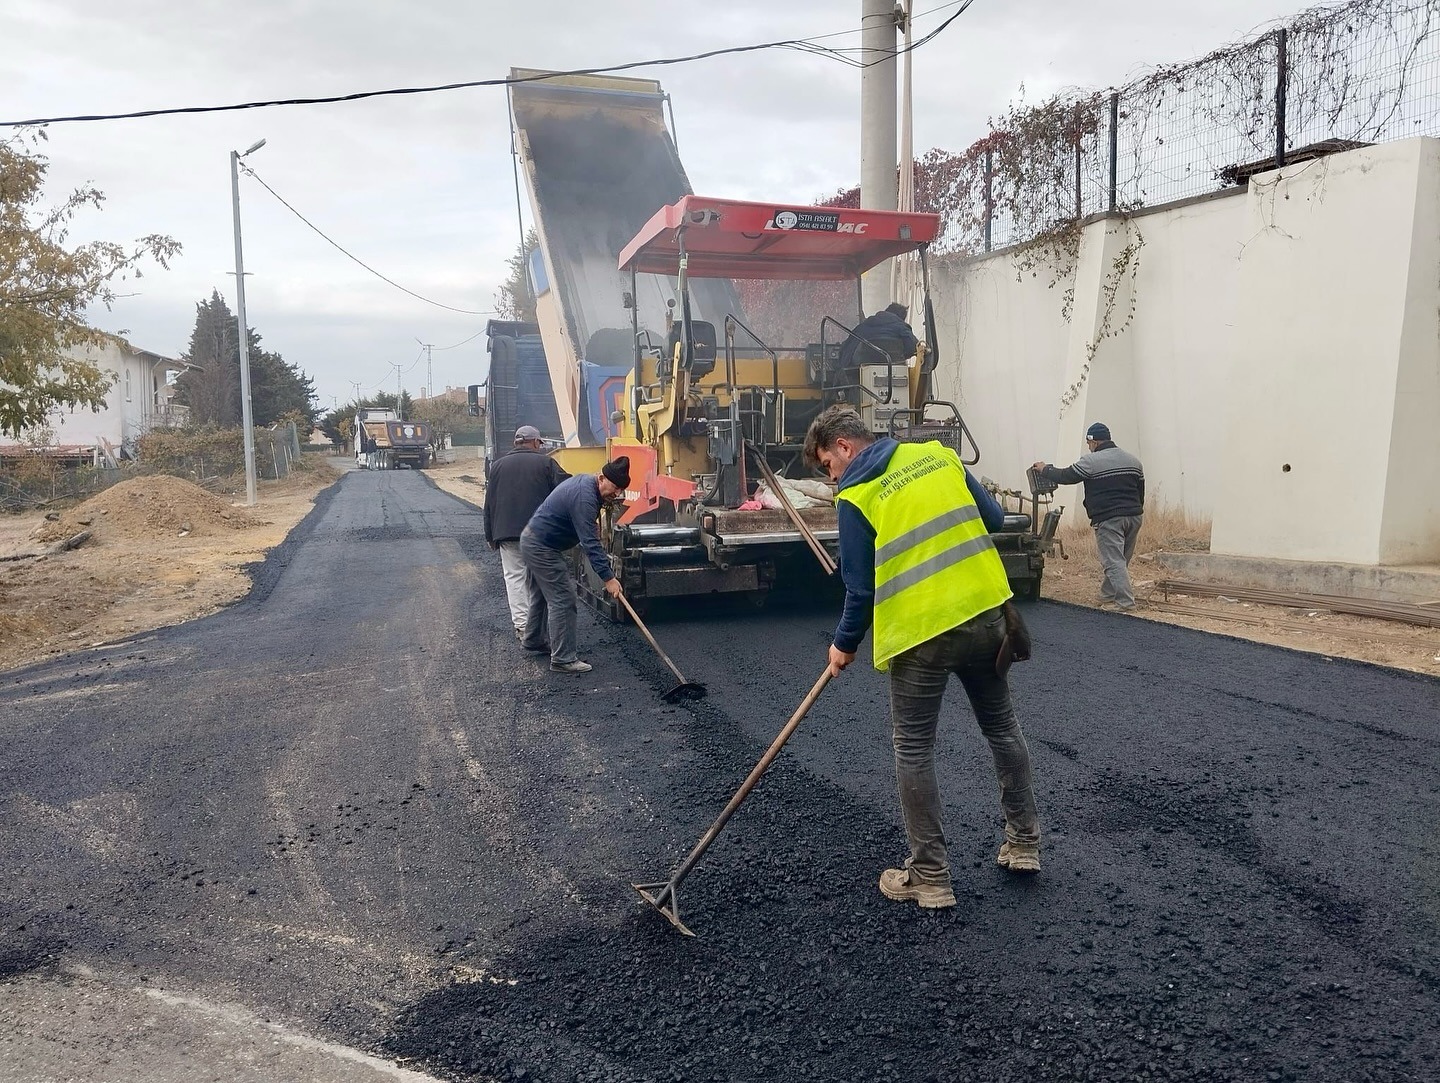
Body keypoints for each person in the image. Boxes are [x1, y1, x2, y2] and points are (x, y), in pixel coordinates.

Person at [806, 404, 1042, 911]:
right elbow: (996, 518)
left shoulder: (857, 493)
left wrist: (843, 644)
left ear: (844, 447)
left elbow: (859, 586)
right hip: (986, 614)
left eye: (828, 464)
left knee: (913, 746)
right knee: (1001, 728)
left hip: (922, 634)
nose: (831, 476)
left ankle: (930, 876)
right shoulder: (938, 455)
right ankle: (1023, 844)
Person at [519, 456, 630, 674]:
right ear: (602, 478)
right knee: (563, 599)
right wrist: (608, 578)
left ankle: (533, 639)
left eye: (620, 490)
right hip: (542, 546)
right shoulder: (585, 497)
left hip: (533, 540)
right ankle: (563, 658)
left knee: (541, 594)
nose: (617, 494)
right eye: (615, 488)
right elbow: (590, 543)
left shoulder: (587, 487)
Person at [1032, 422, 1145, 611]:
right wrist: (1135, 510)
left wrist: (1045, 470)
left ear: (1093, 441)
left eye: (1088, 443)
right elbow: (1141, 491)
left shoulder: (1091, 462)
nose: (1088, 447)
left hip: (1109, 518)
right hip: (1134, 516)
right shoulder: (1133, 461)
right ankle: (1107, 594)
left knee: (1113, 561)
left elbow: (1067, 476)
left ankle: (1125, 603)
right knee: (1121, 558)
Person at [484, 425, 569, 639]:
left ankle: (523, 627)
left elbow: (489, 503)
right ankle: (540, 627)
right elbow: (566, 490)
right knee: (541, 580)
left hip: (506, 532)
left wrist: (489, 535)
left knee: (514, 577)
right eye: (540, 443)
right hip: (538, 534)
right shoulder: (546, 463)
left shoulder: (497, 466)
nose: (540, 447)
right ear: (534, 442)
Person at [837, 301, 919, 371]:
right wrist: (902, 355)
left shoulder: (864, 326)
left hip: (859, 374)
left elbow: (847, 348)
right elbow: (913, 347)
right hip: (894, 371)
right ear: (901, 318)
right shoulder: (901, 327)